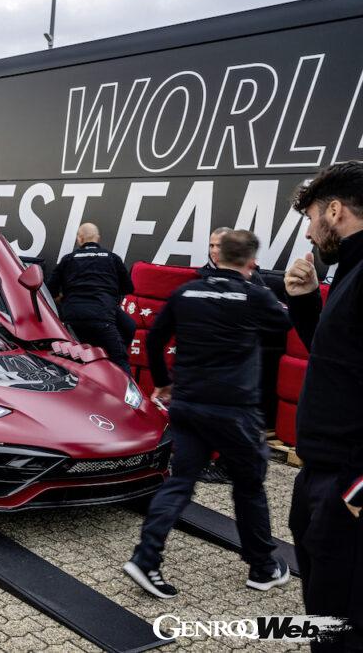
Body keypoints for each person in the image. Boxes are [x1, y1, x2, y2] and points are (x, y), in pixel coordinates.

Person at [123, 230, 292, 599]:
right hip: (235, 411)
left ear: (217, 256)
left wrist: (164, 382)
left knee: (180, 481)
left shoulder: (186, 292)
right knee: (249, 487)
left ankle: (145, 558)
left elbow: (152, 338)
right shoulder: (255, 295)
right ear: (251, 262)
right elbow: (284, 328)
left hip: (188, 403)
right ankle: (262, 568)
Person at [284, 161, 363, 652]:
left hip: (349, 480)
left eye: (312, 217)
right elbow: (339, 365)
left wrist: (356, 487)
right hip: (321, 474)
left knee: (344, 626)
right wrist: (306, 303)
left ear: (334, 210)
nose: (310, 230)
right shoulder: (352, 273)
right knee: (325, 614)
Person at [47, 223, 135, 371]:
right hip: (103, 316)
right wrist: (109, 294)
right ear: (97, 238)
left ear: (79, 239)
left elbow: (50, 290)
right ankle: (111, 368)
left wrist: (63, 298)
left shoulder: (68, 259)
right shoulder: (112, 258)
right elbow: (128, 288)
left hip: (73, 318)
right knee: (121, 362)